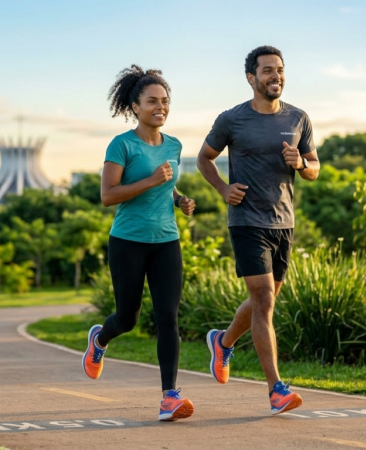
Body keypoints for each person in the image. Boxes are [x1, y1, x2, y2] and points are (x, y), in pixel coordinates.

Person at [196, 46, 319, 415]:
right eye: (267, 71)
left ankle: (223, 341)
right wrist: (222, 189)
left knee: (264, 301)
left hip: (284, 222)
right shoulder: (232, 120)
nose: (275, 76)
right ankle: (276, 390)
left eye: (279, 70)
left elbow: (314, 166)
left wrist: (302, 164)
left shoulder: (299, 118)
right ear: (251, 78)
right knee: (264, 300)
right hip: (247, 220)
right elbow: (204, 157)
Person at [82, 65, 197, 422]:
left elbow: (168, 182)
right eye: (152, 101)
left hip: (167, 241)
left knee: (168, 318)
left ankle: (169, 397)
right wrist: (150, 181)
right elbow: (107, 195)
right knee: (128, 318)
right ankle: (100, 339)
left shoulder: (174, 145)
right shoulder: (122, 145)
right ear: (135, 106)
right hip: (128, 242)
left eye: (165, 101)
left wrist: (178, 199)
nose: (160, 107)